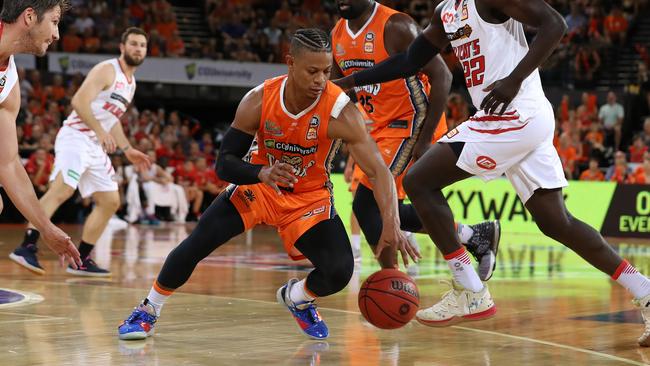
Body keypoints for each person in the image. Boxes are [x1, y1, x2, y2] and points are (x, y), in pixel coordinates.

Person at [335, 0, 650, 346]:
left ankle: (469, 288)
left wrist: (514, 80)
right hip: (517, 120)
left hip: (515, 114)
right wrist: (350, 80)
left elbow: (555, 24)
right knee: (557, 222)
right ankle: (645, 290)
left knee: (418, 181)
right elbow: (411, 60)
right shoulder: (446, 12)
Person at [117, 28, 415, 341]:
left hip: (308, 199)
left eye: (326, 72)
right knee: (197, 243)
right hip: (260, 188)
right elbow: (224, 163)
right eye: (312, 71)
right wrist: (261, 174)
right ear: (291, 63)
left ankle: (298, 298)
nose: (320, 80)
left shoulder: (342, 112)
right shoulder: (259, 100)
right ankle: (148, 309)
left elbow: (379, 171)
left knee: (340, 271)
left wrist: (392, 222)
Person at [332, 0, 500, 279]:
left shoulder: (396, 26)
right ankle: (475, 235)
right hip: (378, 130)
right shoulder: (337, 33)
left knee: (367, 203)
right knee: (383, 205)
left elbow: (443, 75)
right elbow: (340, 93)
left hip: (412, 120)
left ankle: (391, 281)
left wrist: (423, 140)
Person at [10, 27, 151, 276]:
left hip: (95, 145)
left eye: (142, 45)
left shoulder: (131, 84)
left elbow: (113, 119)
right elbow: (79, 101)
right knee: (62, 189)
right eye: (133, 44)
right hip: (76, 137)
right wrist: (99, 131)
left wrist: (128, 149)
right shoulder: (108, 69)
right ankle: (27, 246)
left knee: (110, 201)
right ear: (122, 47)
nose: (138, 48)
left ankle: (82, 260)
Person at [0, 0, 81, 269]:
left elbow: (9, 163)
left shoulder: (9, 84)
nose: (57, 34)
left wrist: (45, 227)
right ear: (30, 16)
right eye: (55, 22)